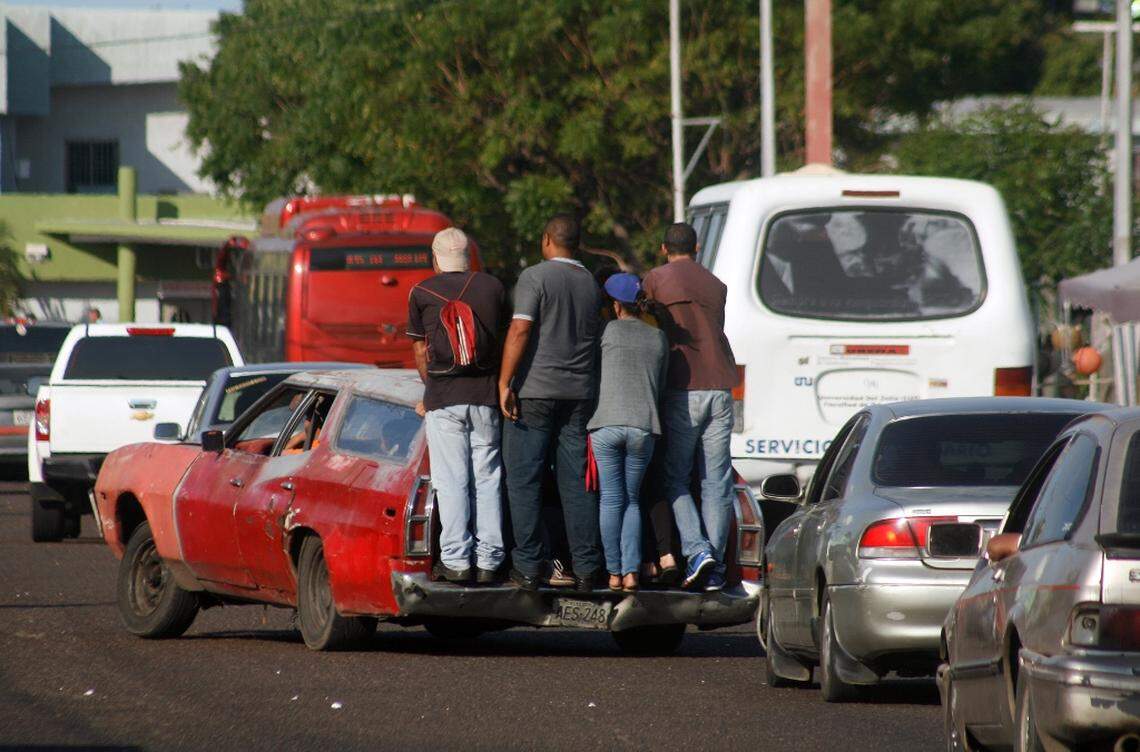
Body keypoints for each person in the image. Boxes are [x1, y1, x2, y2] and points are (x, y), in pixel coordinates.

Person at [499, 213, 604, 591]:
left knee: (523, 479)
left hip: (535, 393)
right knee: (577, 483)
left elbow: (521, 328)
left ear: (547, 240)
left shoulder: (535, 277)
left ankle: (528, 565)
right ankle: (588, 567)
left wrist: (504, 381)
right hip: (578, 395)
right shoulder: (591, 284)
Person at [643, 222, 739, 591]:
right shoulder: (716, 284)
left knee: (675, 477)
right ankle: (713, 567)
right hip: (720, 385)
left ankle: (698, 551)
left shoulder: (655, 279)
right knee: (717, 480)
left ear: (664, 248)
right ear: (696, 248)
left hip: (682, 387)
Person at [408, 227, 507, 585]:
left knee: (451, 481)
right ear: (469, 257)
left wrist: (431, 386)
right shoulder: (493, 287)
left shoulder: (420, 292)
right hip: (485, 397)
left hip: (443, 398)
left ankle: (456, 560)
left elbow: (420, 350)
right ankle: (490, 560)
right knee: (488, 478)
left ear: (435, 258)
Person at [587, 273, 668, 593]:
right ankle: (632, 573)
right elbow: (659, 387)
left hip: (605, 423)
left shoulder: (607, 332)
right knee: (632, 500)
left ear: (616, 305)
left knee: (610, 499)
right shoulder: (658, 338)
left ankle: (614, 573)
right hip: (643, 426)